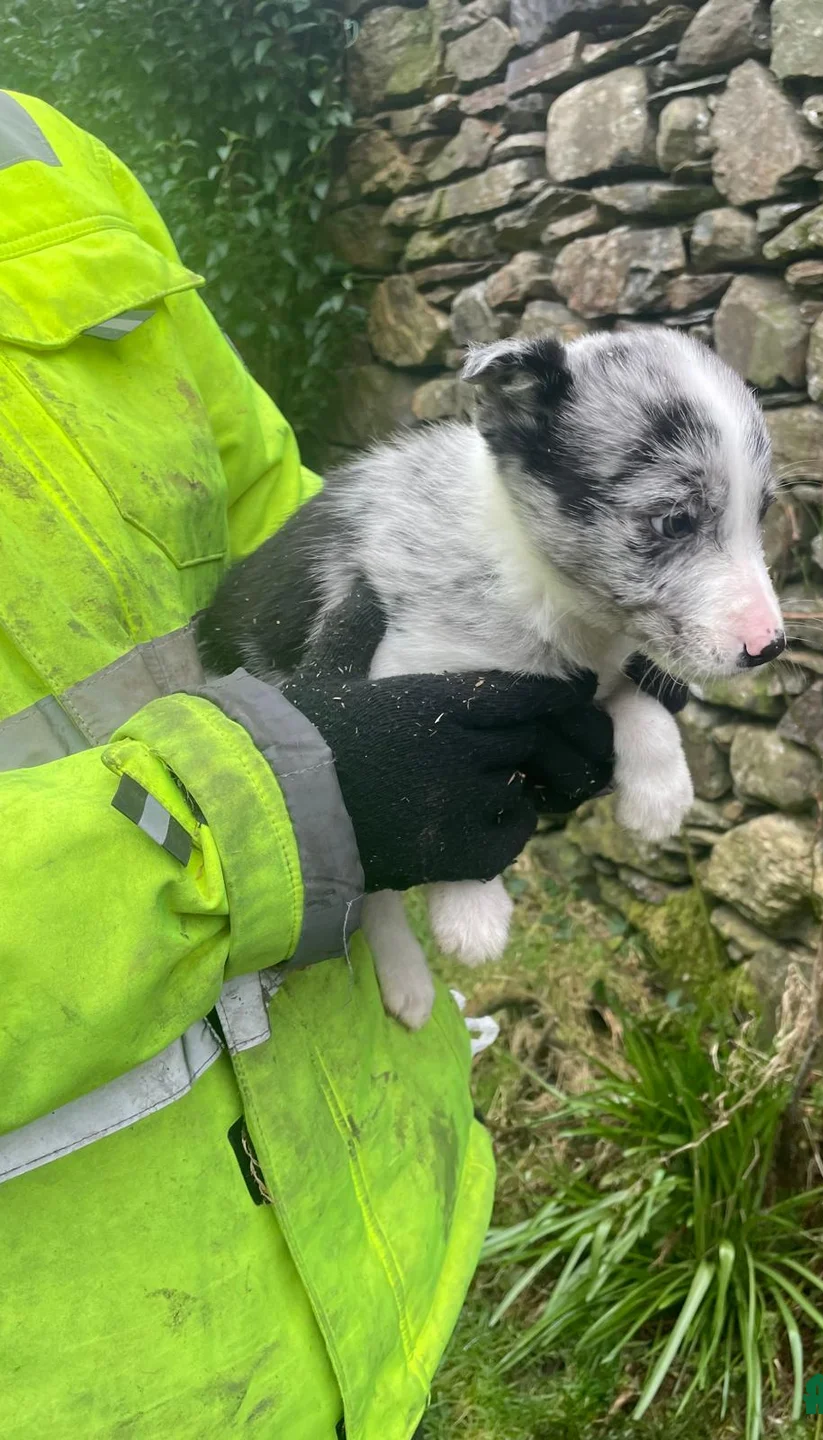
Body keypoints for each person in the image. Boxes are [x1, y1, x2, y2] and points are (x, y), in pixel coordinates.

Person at [0, 90, 623, 1438]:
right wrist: (275, 806)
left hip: (386, 1261)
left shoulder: (34, 149)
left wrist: (471, 665)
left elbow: (299, 528)